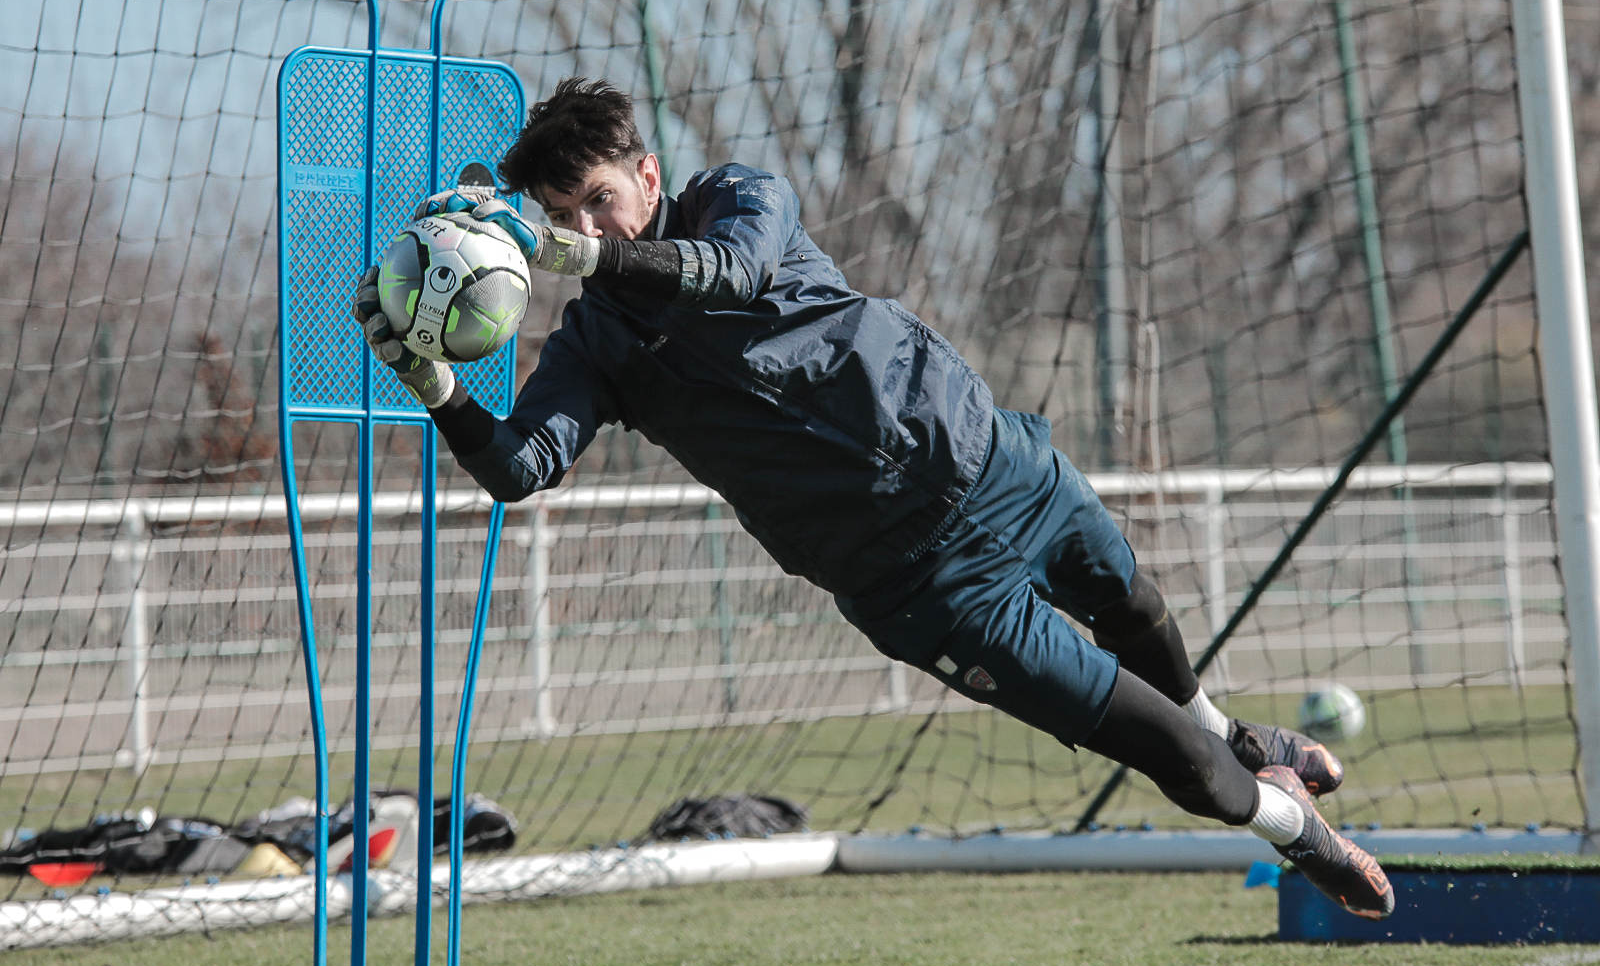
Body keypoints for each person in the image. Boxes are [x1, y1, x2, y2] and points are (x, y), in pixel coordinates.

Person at [352, 77, 1393, 920]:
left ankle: (1244, 737)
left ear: (647, 175)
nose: (579, 225)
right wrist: (430, 380)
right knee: (1174, 761)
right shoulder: (593, 346)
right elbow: (518, 469)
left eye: (597, 200)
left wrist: (575, 252)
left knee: (1135, 606)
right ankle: (1298, 834)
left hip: (992, 466)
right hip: (924, 590)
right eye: (559, 213)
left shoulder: (733, 198)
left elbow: (730, 270)